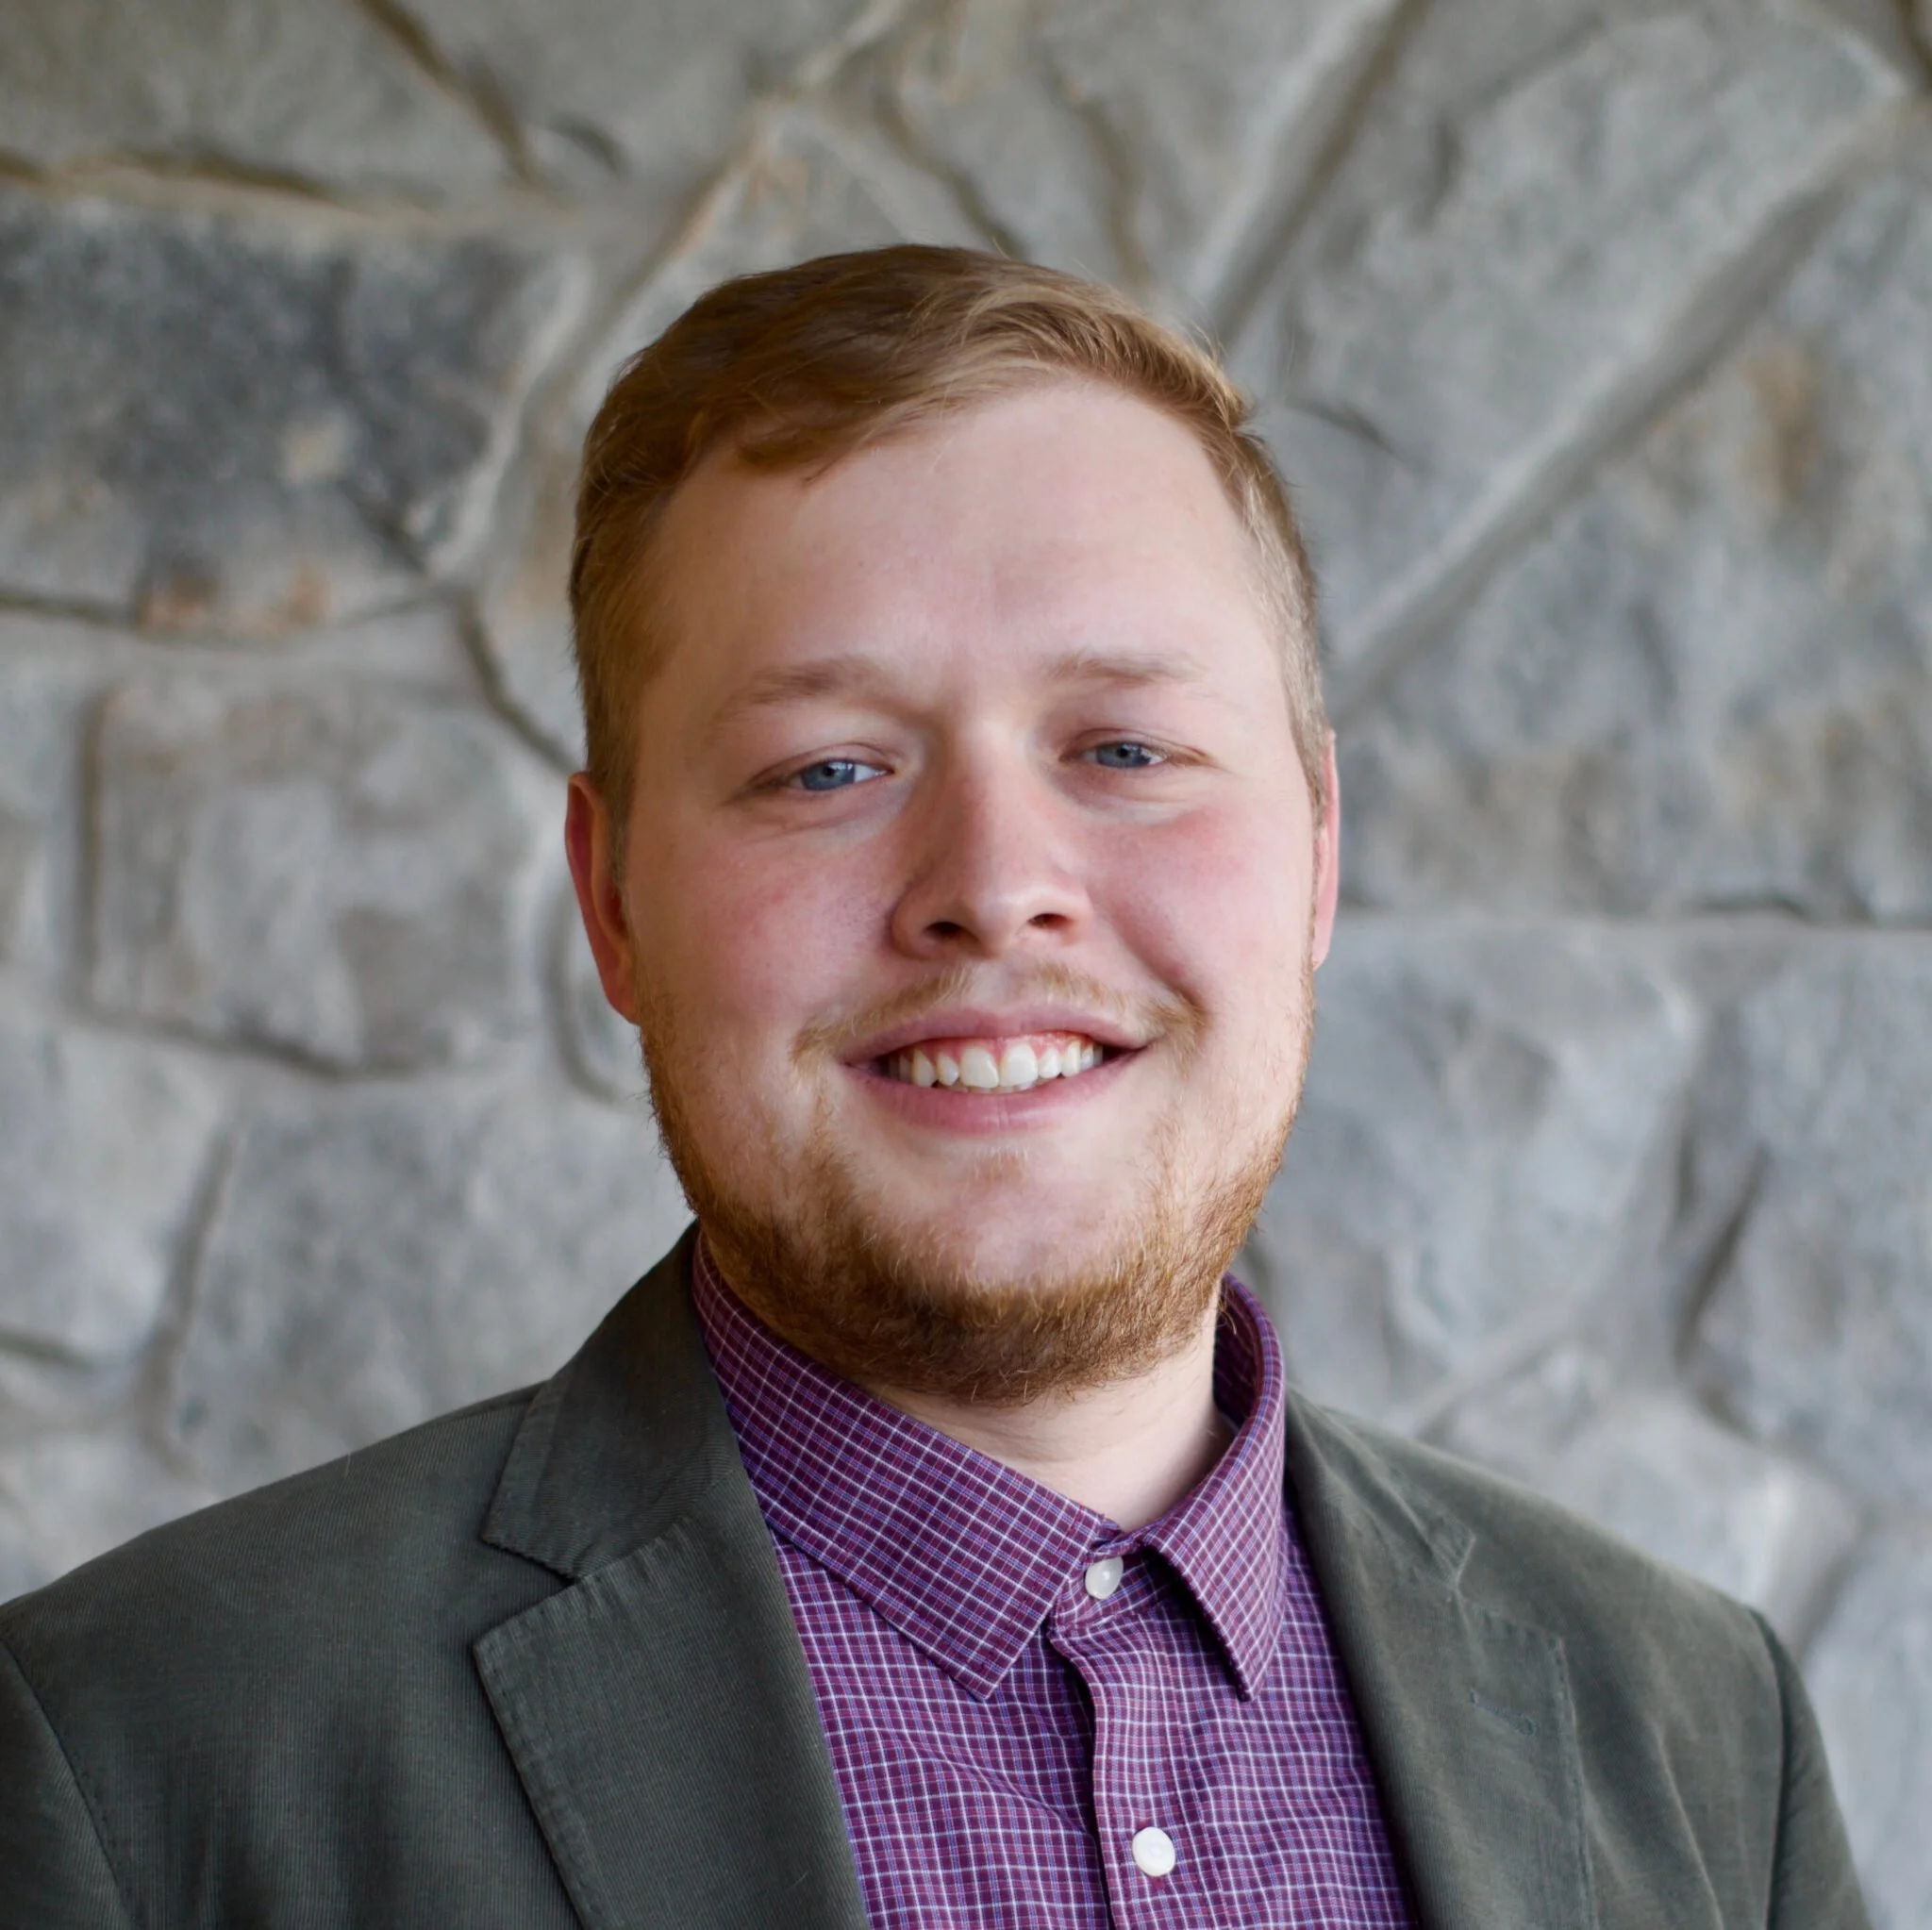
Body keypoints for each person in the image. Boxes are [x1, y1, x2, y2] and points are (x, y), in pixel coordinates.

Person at [0, 246, 1863, 1929]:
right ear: (613, 902)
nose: (991, 880)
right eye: (824, 769)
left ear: (1313, 856)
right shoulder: (132, 1762)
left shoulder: (1702, 1737)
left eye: (1126, 746)